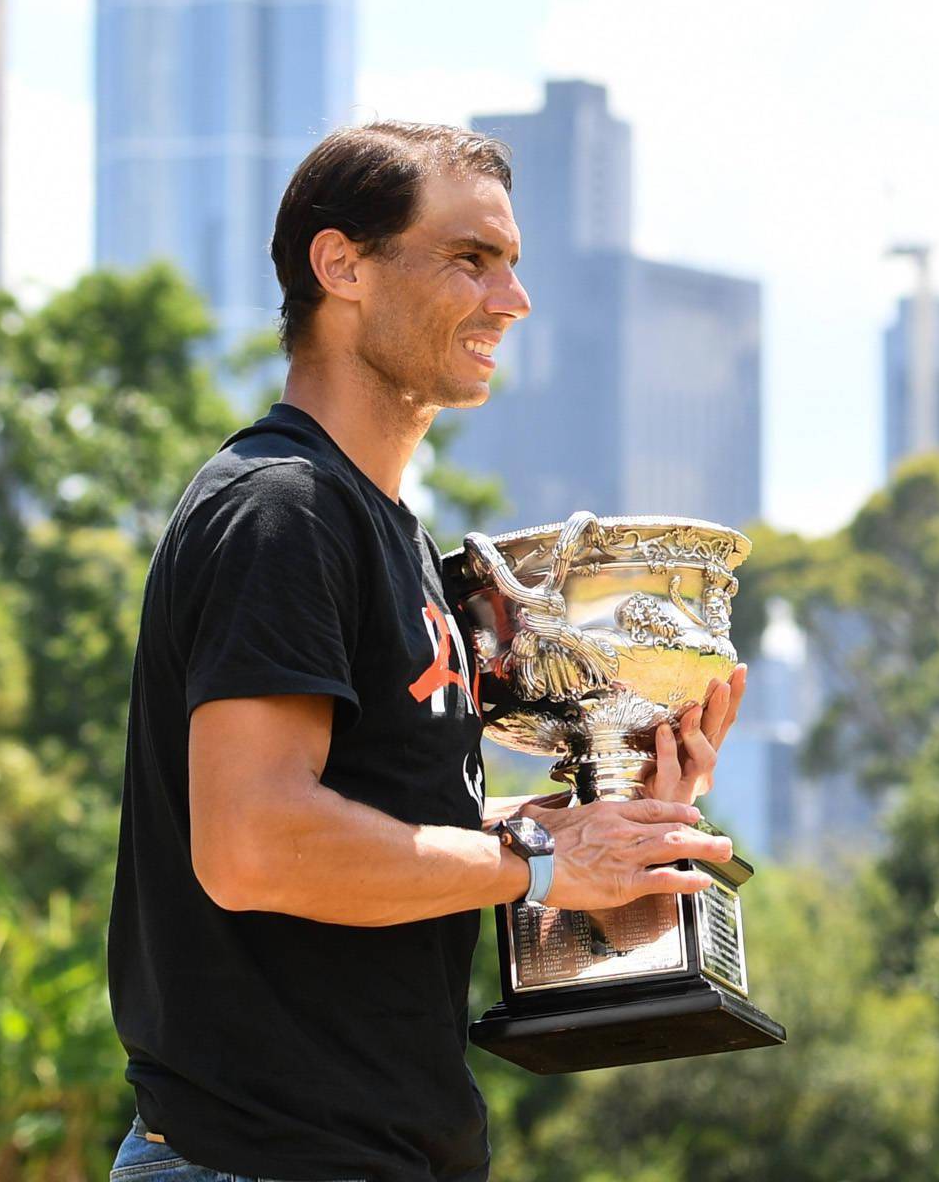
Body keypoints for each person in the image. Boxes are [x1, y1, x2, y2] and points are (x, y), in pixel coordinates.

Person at [105, 121, 746, 1182]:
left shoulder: (395, 537)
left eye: (512, 264)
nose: (512, 299)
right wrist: (538, 861)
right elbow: (252, 838)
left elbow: (392, 823)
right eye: (470, 257)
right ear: (341, 264)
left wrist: (587, 824)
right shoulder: (282, 509)